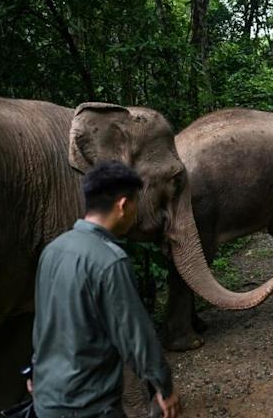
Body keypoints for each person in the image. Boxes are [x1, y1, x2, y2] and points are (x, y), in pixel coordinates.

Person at [31, 161, 180, 418]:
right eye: (136, 204)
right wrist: (164, 386)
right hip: (90, 405)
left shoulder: (53, 249)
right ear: (123, 205)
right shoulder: (110, 260)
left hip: (46, 399)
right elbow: (136, 337)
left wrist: (34, 368)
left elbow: (43, 322)